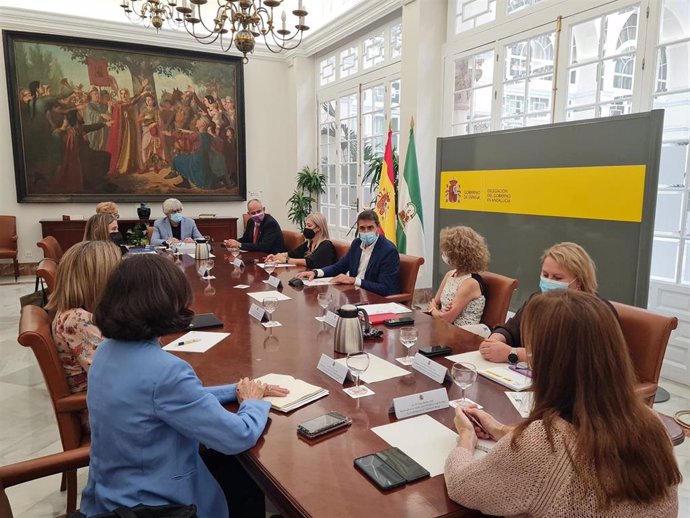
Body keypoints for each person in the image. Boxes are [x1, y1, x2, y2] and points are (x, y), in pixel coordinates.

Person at [80, 255, 289, 518]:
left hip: (110, 495)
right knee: (246, 479)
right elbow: (238, 436)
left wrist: (234, 389)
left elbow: (163, 400)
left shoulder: (106, 351)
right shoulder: (166, 371)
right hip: (155, 507)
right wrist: (253, 403)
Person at [444, 290, 680, 517]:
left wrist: (466, 437)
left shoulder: (543, 444)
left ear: (551, 363)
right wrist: (500, 429)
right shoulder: (653, 424)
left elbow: (462, 485)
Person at [479, 241, 613, 364]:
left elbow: (571, 361)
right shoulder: (537, 300)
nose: (549, 281)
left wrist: (512, 353)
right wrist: (494, 341)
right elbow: (511, 330)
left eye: (557, 278)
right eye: (545, 275)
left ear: (579, 281)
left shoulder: (596, 312)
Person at [44, 240, 121, 394]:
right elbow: (113, 379)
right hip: (102, 405)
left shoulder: (75, 311)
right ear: (99, 280)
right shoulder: (78, 320)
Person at [297, 209, 400, 297]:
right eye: (362, 228)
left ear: (378, 227)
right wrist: (315, 272)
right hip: (355, 295)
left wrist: (353, 280)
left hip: (376, 300)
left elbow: (384, 288)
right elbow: (338, 267)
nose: (366, 231)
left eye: (370, 228)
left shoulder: (388, 251)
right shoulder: (357, 243)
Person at [427, 226, 488, 327]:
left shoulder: (471, 282)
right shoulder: (450, 274)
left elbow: (446, 318)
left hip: (462, 333)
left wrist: (432, 309)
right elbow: (435, 301)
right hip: (443, 329)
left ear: (459, 255)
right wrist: (435, 308)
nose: (444, 254)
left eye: (448, 251)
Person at [266, 212, 336, 269]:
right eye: (305, 225)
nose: (306, 228)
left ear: (318, 228)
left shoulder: (326, 245)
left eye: (309, 226)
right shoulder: (309, 243)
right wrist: (277, 256)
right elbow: (293, 254)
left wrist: (286, 260)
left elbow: (310, 262)